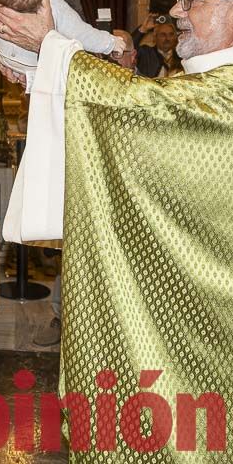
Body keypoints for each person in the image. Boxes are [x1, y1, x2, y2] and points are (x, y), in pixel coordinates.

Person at [0, 0, 233, 464]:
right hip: (192, 294)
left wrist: (53, 49)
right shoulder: (232, 82)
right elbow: (148, 110)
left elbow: (148, 112)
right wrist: (46, 77)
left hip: (210, 318)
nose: (177, 10)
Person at [32, 28, 137, 350]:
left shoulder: (147, 91)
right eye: (107, 52)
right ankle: (62, 317)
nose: (111, 58)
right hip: (87, 192)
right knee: (75, 257)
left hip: (130, 199)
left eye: (119, 52)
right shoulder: (86, 89)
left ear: (133, 57)